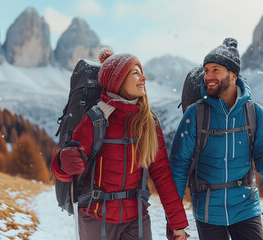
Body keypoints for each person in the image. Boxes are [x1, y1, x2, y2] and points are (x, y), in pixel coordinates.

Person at [51, 48, 189, 240]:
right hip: (96, 216)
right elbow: (67, 168)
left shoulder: (149, 122)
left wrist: (177, 224)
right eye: (135, 73)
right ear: (118, 80)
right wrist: (63, 163)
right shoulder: (96, 119)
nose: (143, 78)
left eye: (141, 72)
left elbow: (162, 175)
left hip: (136, 219)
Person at [169, 38, 263, 240]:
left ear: (233, 75)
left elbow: (262, 162)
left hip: (246, 206)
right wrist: (173, 220)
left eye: (215, 69)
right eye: (206, 70)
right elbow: (179, 167)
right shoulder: (194, 115)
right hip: (207, 210)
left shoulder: (255, 113)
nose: (208, 76)